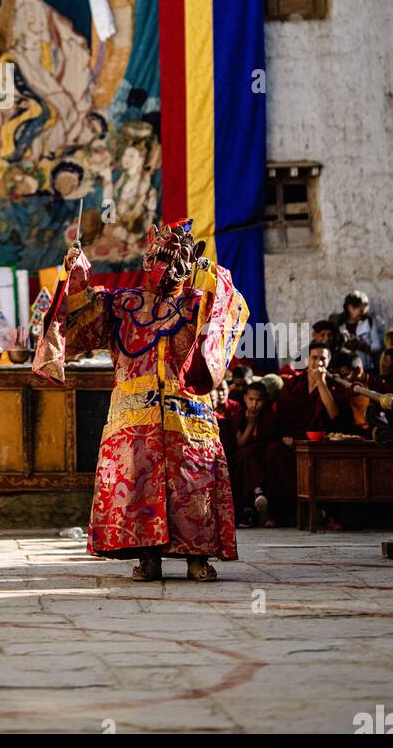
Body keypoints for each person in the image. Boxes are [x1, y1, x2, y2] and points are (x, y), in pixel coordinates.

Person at [33, 218, 248, 581]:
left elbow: (233, 310)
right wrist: (76, 275)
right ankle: (148, 559)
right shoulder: (122, 304)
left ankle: (198, 558)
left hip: (188, 416)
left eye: (174, 255)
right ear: (147, 259)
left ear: (189, 259)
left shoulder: (200, 304)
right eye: (157, 255)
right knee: (137, 488)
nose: (163, 263)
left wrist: (212, 276)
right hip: (133, 419)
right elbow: (77, 323)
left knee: (192, 487)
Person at [263, 343, 339, 525]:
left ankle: (327, 513)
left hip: (321, 443)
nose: (318, 362)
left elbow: (334, 414)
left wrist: (321, 382)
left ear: (328, 362)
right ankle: (280, 513)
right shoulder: (294, 384)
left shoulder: (334, 383)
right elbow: (281, 414)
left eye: (323, 358)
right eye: (314, 357)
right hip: (295, 442)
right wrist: (286, 435)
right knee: (274, 451)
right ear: (307, 360)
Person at [233, 382, 275, 526]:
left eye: (259, 400)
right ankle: (258, 492)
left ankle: (260, 498)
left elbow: (271, 438)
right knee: (243, 455)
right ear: (245, 398)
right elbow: (240, 443)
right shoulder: (239, 415)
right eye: (251, 399)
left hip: (263, 454)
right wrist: (251, 423)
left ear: (265, 400)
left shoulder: (270, 415)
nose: (254, 404)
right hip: (246, 455)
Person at [332, 291, 385, 374]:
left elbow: (377, 346)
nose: (363, 312)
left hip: (367, 368)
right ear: (350, 308)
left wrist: (362, 345)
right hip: (346, 370)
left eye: (364, 309)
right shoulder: (340, 325)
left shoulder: (368, 322)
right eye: (360, 309)